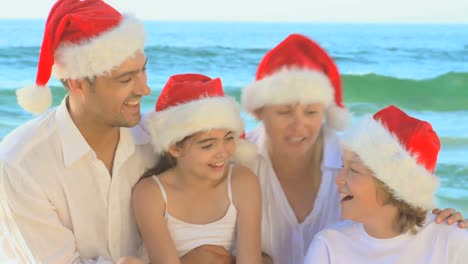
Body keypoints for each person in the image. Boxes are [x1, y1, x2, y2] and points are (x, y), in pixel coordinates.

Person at [241, 33, 468, 264]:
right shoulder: (234, 164)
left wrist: (442, 221)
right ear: (259, 110)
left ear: (326, 111)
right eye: (284, 112)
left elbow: (400, 205)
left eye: (310, 112)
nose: (298, 125)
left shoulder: (356, 155)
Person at [0, 0, 153, 263]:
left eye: (143, 71)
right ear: (78, 83)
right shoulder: (21, 163)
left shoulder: (158, 139)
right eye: (126, 79)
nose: (144, 89)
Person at [304, 105, 468, 263]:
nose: (338, 179)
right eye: (342, 166)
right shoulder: (328, 246)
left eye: (353, 170)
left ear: (393, 186)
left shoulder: (453, 241)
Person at [133, 73, 262, 264]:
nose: (222, 153)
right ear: (174, 147)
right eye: (208, 145)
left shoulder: (243, 181)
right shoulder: (150, 193)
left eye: (228, 138)